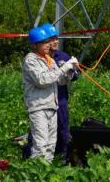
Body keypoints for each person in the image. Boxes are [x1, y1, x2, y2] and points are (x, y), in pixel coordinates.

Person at [23, 23, 79, 161]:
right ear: (34, 45)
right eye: (44, 42)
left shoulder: (49, 60)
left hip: (52, 106)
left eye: (49, 42)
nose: (48, 45)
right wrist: (64, 67)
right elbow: (42, 80)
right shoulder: (31, 60)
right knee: (40, 145)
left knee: (50, 145)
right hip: (39, 107)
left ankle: (46, 173)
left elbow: (59, 81)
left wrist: (70, 71)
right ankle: (35, 173)